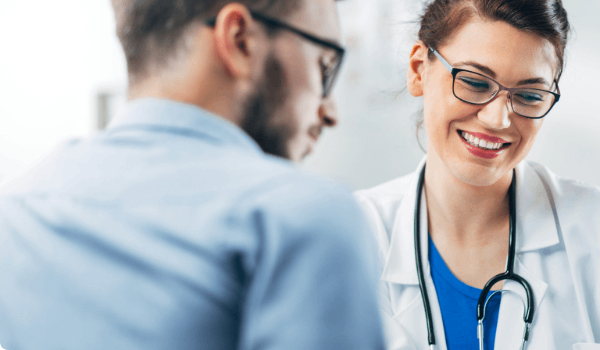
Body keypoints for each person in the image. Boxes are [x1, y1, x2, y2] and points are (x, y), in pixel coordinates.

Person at [354, 0, 600, 349]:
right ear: (419, 69)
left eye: (529, 96)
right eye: (473, 82)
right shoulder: (351, 235)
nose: (497, 118)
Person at [0, 1, 384, 349]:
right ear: (239, 40)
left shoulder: (17, 210)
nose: (329, 112)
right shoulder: (305, 218)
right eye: (324, 66)